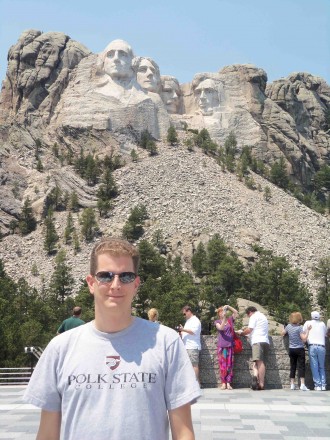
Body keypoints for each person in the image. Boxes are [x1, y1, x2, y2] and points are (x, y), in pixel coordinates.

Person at [23, 237, 200, 440]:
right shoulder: (60, 348)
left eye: (125, 276)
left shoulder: (166, 342)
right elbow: (47, 434)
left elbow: (184, 432)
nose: (115, 284)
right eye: (105, 276)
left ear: (136, 284)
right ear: (91, 283)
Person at [237, 306, 269, 390]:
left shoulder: (254, 316)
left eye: (248, 315)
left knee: (259, 362)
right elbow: (256, 330)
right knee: (257, 362)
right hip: (265, 340)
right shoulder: (263, 316)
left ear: (250, 312)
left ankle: (261, 384)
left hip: (257, 341)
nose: (248, 316)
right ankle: (256, 379)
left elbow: (249, 330)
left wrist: (241, 333)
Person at [281, 312, 310, 391]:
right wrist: (308, 331)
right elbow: (304, 339)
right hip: (299, 349)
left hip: (291, 349)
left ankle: (292, 384)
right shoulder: (300, 327)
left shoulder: (288, 326)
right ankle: (302, 384)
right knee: (301, 366)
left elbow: (283, 333)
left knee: (292, 366)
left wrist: (283, 328)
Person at [214, 304, 239, 390]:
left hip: (230, 346)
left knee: (230, 365)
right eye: (221, 312)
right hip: (223, 347)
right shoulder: (217, 321)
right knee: (223, 365)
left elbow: (236, 312)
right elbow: (221, 328)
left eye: (223, 311)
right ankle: (223, 382)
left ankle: (228, 382)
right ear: (219, 314)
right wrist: (224, 318)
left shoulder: (230, 320)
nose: (223, 312)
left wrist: (228, 307)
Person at [303, 311, 327, 391]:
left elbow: (303, 332)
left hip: (312, 346)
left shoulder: (307, 323)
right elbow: (325, 334)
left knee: (314, 366)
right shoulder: (322, 324)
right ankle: (323, 385)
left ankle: (318, 385)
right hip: (322, 346)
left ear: (311, 316)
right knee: (321, 366)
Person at [178, 305, 202, 382]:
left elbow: (193, 331)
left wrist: (183, 329)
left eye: (184, 314)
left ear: (188, 311)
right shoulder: (188, 321)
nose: (184, 316)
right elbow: (187, 332)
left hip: (192, 346)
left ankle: (196, 383)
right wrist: (182, 332)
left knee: (194, 365)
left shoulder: (195, 320)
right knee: (189, 365)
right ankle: (191, 383)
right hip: (187, 346)